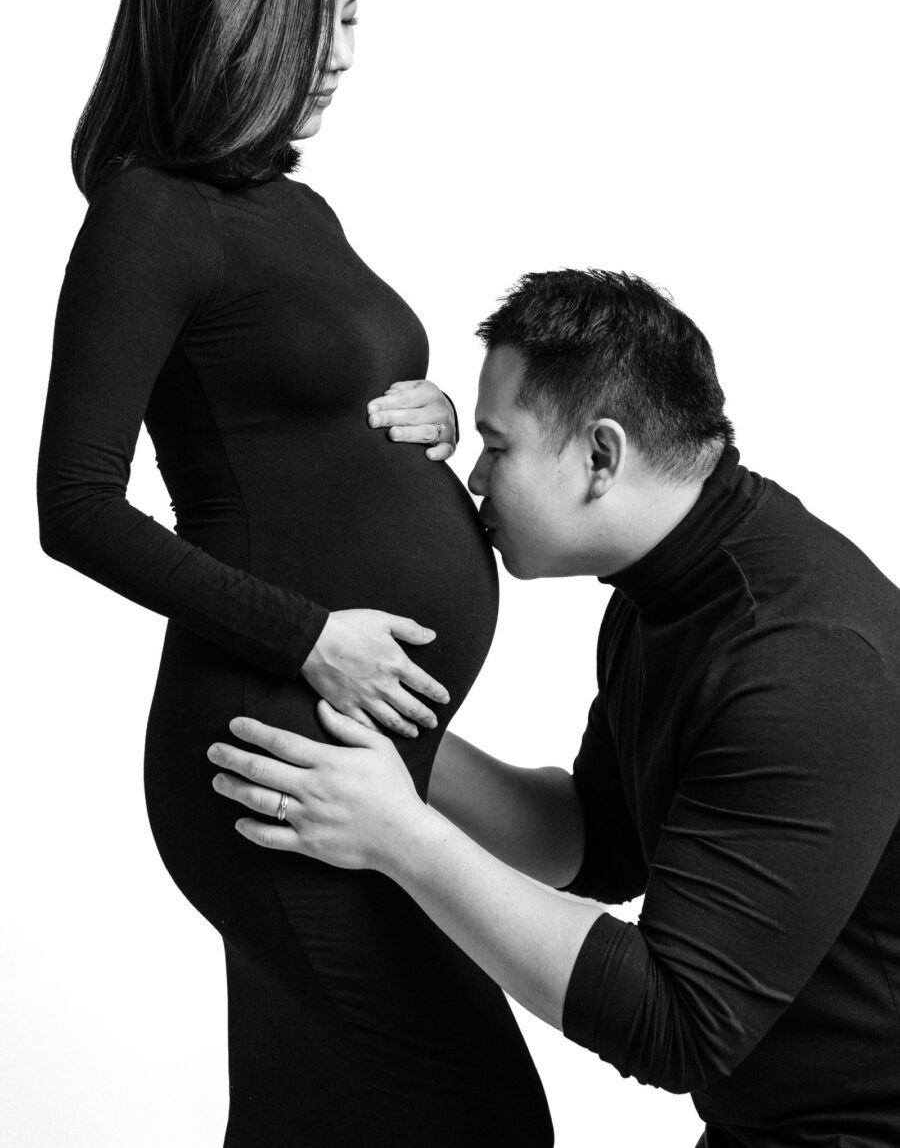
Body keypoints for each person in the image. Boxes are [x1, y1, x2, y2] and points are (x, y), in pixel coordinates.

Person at [37, 0, 552, 1148]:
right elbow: (75, 503)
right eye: (318, 16)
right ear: (227, 6)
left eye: (355, 19)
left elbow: (318, 398)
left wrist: (428, 401)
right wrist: (310, 635)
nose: (340, 50)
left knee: (302, 1113)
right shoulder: (149, 217)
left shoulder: (289, 204)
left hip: (365, 755)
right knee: (477, 1114)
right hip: (270, 750)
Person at [208, 269, 900, 1148]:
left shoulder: (803, 658)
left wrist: (399, 838)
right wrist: (407, 745)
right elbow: (600, 845)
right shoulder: (664, 596)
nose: (475, 476)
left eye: (497, 446)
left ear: (601, 456)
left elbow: (679, 1022)